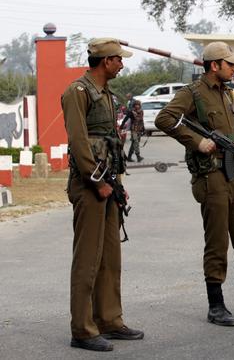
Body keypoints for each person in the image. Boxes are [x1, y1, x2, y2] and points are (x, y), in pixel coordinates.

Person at [154, 41, 234, 326]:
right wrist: (197, 141)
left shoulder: (226, 94)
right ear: (215, 66)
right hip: (211, 177)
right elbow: (165, 119)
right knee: (217, 243)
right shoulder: (193, 94)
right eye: (231, 64)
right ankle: (216, 305)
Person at [61, 38, 144, 352]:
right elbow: (79, 142)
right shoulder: (78, 92)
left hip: (110, 184)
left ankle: (109, 319)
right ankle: (82, 329)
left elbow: (108, 142)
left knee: (110, 255)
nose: (122, 65)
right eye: (119, 60)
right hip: (91, 185)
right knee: (88, 258)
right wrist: (98, 182)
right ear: (105, 60)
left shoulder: (107, 94)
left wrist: (116, 184)